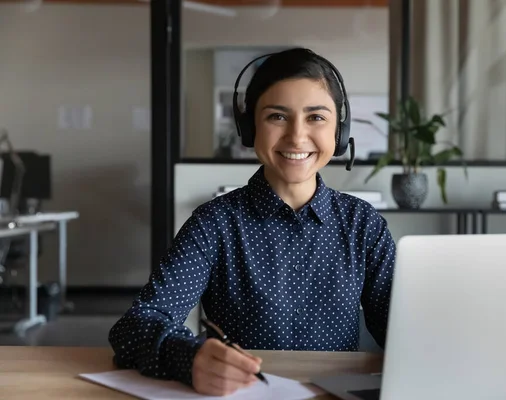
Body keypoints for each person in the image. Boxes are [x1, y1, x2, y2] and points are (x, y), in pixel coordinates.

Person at [108, 48, 396, 397]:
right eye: (277, 116)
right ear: (249, 128)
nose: (297, 136)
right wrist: (190, 358)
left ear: (339, 129)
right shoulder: (214, 224)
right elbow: (135, 326)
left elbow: (402, 331)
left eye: (316, 117)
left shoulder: (362, 224)